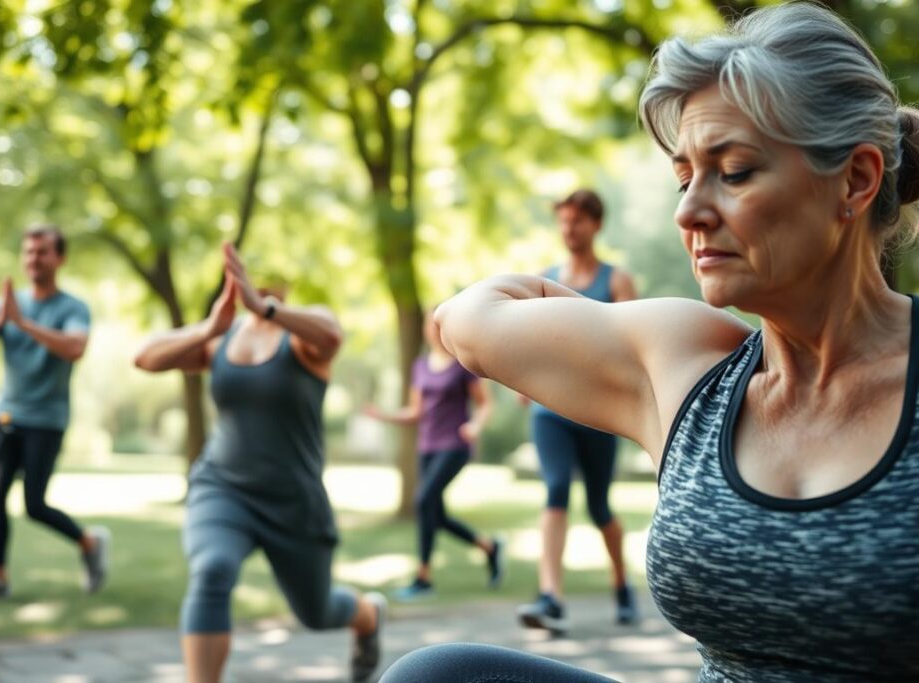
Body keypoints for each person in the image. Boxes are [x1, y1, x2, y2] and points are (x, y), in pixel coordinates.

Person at [381, 3, 919, 681]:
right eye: (684, 176)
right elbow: (467, 318)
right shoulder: (687, 364)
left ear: (857, 179)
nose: (688, 211)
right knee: (434, 674)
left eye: (735, 171)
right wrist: (615, 330)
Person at [134, 244, 386, 683]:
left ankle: (366, 615)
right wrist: (207, 327)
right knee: (212, 569)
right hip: (223, 487)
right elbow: (146, 357)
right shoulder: (221, 341)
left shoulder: (302, 336)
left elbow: (332, 336)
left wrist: (264, 308)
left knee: (317, 612)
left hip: (293, 499)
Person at [0, 224, 109, 604]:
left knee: (35, 505)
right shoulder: (7, 305)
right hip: (7, 418)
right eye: (29, 252)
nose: (34, 259)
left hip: (47, 420)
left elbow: (75, 348)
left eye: (42, 252)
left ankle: (88, 542)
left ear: (59, 258)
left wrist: (23, 324)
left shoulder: (72, 308)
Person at [517, 189, 638, 632]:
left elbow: (630, 345)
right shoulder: (543, 279)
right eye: (564, 221)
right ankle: (550, 597)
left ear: (596, 225)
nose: (570, 229)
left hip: (596, 412)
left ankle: (623, 587)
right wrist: (524, 377)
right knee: (555, 490)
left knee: (600, 506)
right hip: (550, 410)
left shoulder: (617, 281)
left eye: (578, 221)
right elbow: (529, 341)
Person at [363, 312, 504, 601]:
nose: (434, 330)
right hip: (427, 446)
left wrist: (475, 426)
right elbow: (416, 412)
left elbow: (485, 404)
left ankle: (423, 577)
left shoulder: (463, 364)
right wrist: (384, 415)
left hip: (455, 444)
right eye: (431, 324)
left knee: (424, 501)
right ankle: (489, 547)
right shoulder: (421, 366)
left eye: (440, 325)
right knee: (434, 513)